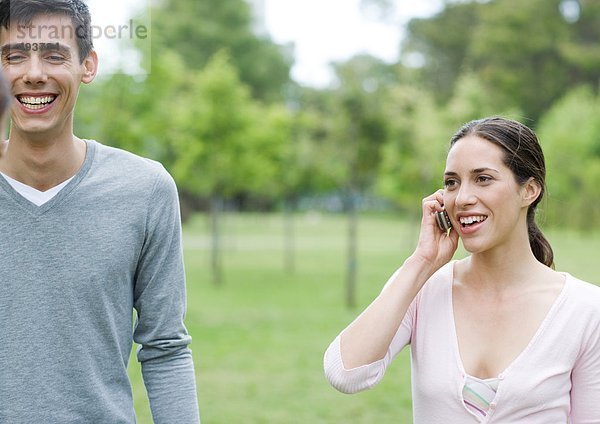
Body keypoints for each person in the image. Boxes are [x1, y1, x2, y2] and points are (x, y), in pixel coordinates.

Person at [324, 117, 600, 422]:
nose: (463, 198)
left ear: (529, 190)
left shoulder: (585, 310)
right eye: (452, 182)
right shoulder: (424, 287)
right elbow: (345, 373)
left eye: (483, 178)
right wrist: (421, 262)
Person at [0, 1, 200, 423]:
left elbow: (165, 348)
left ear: (87, 65)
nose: (33, 73)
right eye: (14, 56)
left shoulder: (145, 190)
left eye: (54, 55)